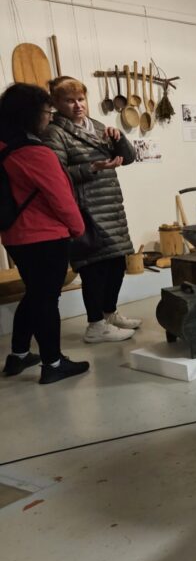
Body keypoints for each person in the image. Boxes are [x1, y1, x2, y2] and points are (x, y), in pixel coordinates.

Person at [0, 82, 89, 384]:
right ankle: (53, 363)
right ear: (31, 114)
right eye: (46, 111)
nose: (49, 117)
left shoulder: (4, 147)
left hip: (15, 236)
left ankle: (19, 355)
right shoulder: (35, 153)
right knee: (46, 300)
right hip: (45, 237)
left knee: (35, 294)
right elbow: (61, 198)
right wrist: (78, 228)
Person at [44, 76, 138, 344]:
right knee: (93, 267)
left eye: (81, 99)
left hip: (111, 206)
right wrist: (92, 167)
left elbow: (128, 158)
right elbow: (56, 174)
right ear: (56, 103)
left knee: (117, 263)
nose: (78, 105)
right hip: (86, 208)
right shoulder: (54, 133)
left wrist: (119, 139)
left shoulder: (96, 126)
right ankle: (95, 324)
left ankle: (109, 313)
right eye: (69, 101)